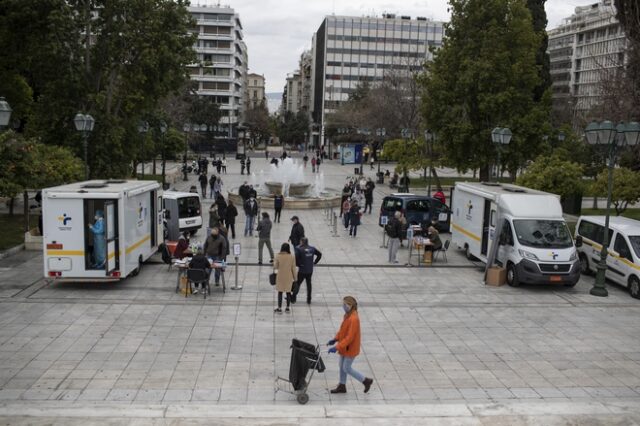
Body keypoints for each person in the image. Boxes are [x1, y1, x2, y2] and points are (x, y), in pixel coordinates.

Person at [327, 296, 374, 394]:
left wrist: (337, 347)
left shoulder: (354, 319)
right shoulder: (347, 315)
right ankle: (342, 385)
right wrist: (335, 339)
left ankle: (366, 381)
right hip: (345, 347)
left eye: (345, 304)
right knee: (341, 365)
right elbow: (343, 330)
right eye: (343, 304)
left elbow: (350, 337)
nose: (343, 306)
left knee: (346, 368)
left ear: (350, 305)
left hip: (350, 348)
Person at [292, 237, 322, 305]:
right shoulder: (312, 248)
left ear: (302, 242)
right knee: (309, 284)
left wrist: (299, 265)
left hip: (302, 270)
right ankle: (309, 299)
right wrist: (315, 262)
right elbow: (319, 254)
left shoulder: (299, 249)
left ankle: (293, 297)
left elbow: (296, 258)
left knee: (298, 283)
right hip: (309, 270)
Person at [274, 243, 296, 314]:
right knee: (288, 292)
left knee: (280, 292)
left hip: (280, 276)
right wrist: (295, 278)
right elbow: (293, 268)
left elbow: (275, 267)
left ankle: (279, 308)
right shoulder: (292, 256)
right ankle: (287, 308)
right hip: (288, 276)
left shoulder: (278, 256)